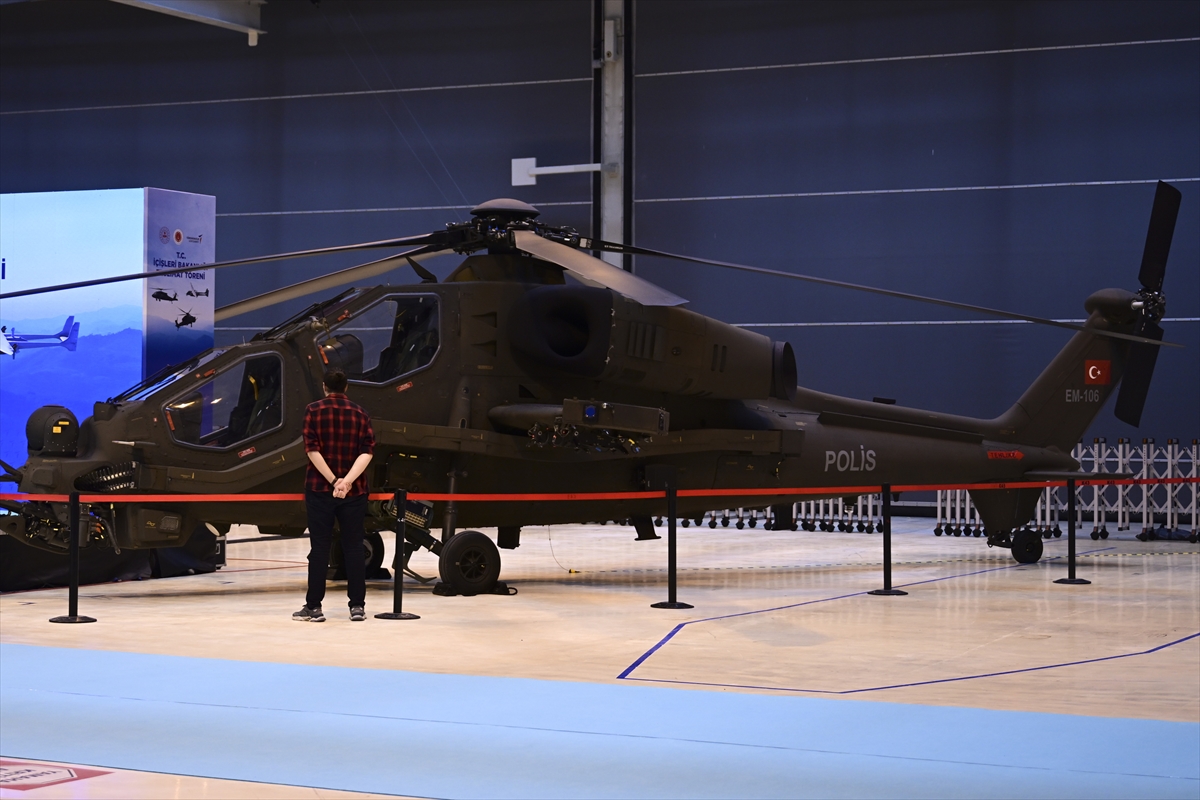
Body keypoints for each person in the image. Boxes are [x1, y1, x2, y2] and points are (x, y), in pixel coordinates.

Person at [293, 368, 375, 622]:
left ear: (324, 386)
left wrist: (333, 481)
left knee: (319, 548)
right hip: (354, 491)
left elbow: (312, 450)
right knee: (353, 547)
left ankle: (314, 607)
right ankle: (357, 607)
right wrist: (347, 482)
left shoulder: (313, 410)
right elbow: (367, 452)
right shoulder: (361, 413)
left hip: (319, 489)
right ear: (346, 387)